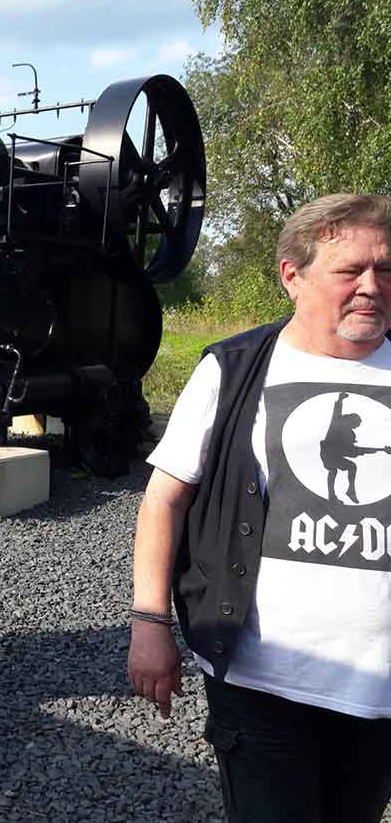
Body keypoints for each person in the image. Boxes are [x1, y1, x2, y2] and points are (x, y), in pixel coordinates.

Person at [128, 194, 391, 823]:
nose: (372, 288)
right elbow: (165, 497)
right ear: (291, 277)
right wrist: (149, 623)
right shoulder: (233, 369)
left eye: (387, 270)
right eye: (350, 270)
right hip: (265, 681)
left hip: (381, 692)